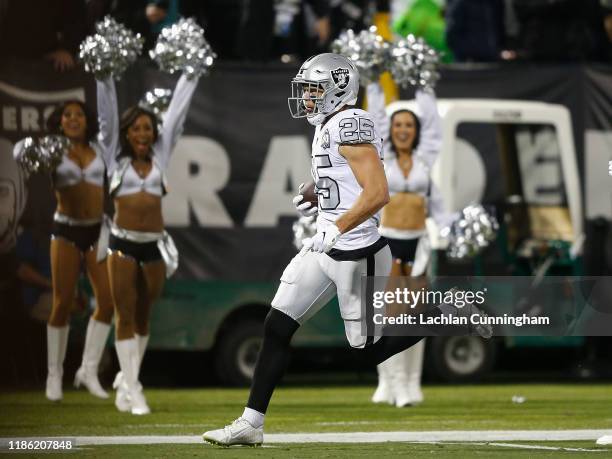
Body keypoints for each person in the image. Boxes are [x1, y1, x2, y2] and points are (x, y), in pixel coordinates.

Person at [202, 53, 491, 447]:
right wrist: (317, 192)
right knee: (277, 326)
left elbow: (377, 193)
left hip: (358, 250)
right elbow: (347, 182)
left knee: (367, 353)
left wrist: (336, 225)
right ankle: (252, 423)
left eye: (314, 88)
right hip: (327, 245)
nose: (306, 96)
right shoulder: (328, 125)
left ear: (337, 89)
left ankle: (446, 310)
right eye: (305, 88)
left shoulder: (349, 122)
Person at [96, 69, 200, 415]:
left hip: (155, 245)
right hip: (123, 243)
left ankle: (127, 380)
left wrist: (191, 73)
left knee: (144, 315)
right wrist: (104, 75)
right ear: (126, 133)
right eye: (136, 128)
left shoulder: (161, 157)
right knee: (124, 314)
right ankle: (135, 389)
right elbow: (107, 119)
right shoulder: (115, 157)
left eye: (147, 128)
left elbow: (177, 116)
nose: (143, 133)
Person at [13, 101, 115, 402]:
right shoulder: (52, 150)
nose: (73, 119)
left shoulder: (99, 147)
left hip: (97, 230)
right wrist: (35, 148)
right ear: (59, 122)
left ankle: (88, 370)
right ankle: (54, 374)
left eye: (79, 114)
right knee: (62, 302)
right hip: (67, 230)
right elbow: (20, 154)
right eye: (67, 115)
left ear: (86, 120)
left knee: (107, 302)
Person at [366, 80, 455, 408]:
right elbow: (373, 121)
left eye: (409, 125)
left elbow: (435, 129)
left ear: (416, 131)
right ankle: (390, 382)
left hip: (417, 246)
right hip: (387, 244)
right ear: (390, 129)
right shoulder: (382, 159)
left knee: (415, 318)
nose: (403, 130)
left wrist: (424, 84)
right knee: (387, 317)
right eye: (398, 124)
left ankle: (412, 383)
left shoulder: (424, 163)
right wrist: (373, 83)